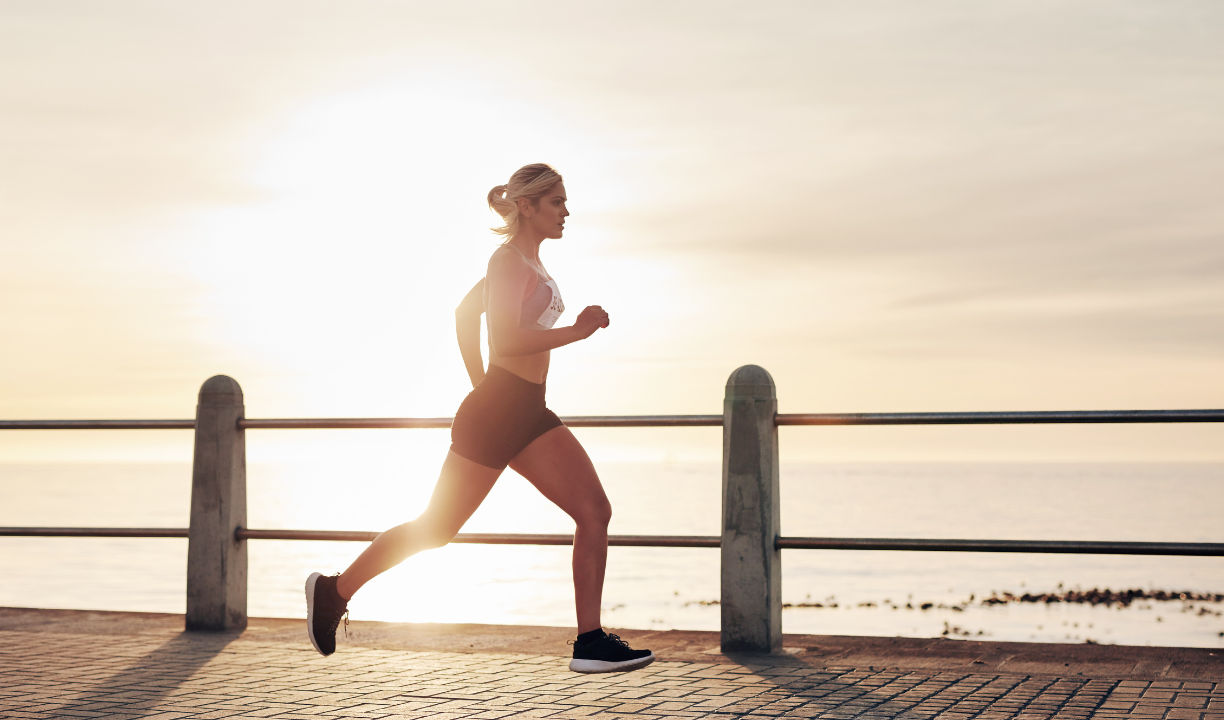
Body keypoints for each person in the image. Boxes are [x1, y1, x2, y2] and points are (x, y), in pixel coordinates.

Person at [305, 163, 654, 674]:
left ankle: (589, 640)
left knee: (593, 510)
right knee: (435, 529)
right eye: (556, 202)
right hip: (498, 412)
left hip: (526, 409)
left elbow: (466, 316)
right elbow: (506, 339)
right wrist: (572, 333)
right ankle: (333, 592)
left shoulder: (528, 264)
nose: (566, 211)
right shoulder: (506, 260)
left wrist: (484, 384)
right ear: (529, 206)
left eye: (565, 201)